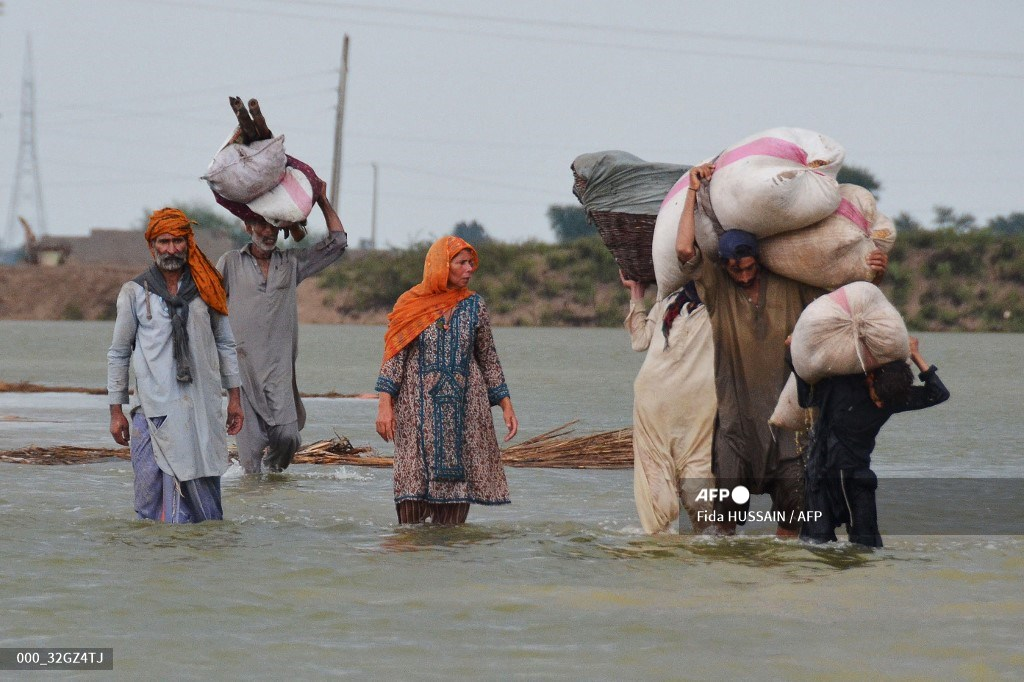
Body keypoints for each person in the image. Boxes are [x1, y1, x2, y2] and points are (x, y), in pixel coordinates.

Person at [675, 163, 889, 536]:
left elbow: (851, 297)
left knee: (793, 526)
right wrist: (693, 191)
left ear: (759, 259)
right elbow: (682, 249)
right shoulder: (718, 289)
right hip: (736, 429)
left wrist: (875, 271)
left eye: (748, 267)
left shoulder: (794, 282)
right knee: (723, 528)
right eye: (735, 269)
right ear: (724, 267)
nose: (742, 275)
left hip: (791, 428)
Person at [108, 208, 243, 522]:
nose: (171, 249)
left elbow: (226, 344)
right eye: (164, 242)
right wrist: (116, 410)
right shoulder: (134, 293)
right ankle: (160, 560)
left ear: (189, 243)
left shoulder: (209, 289)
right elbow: (118, 353)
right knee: (149, 498)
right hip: (154, 409)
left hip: (202, 407)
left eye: (177, 241)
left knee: (205, 490)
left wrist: (235, 399)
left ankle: (204, 554)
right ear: (153, 246)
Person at [374, 236, 517, 524]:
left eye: (471, 263)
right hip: (415, 410)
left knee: (453, 516)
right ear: (442, 266)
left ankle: (451, 563)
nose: (469, 269)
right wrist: (384, 404)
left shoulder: (475, 306)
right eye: (462, 263)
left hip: (465, 409)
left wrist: (505, 404)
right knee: (411, 493)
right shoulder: (410, 305)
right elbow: (393, 357)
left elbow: (488, 356)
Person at [215, 171, 347, 474]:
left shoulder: (291, 264)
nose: (268, 231)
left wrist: (323, 200)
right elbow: (208, 303)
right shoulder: (231, 262)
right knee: (250, 465)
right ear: (248, 225)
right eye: (261, 223)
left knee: (288, 439)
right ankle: (256, 510)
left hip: (280, 374)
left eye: (274, 224)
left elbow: (338, 243)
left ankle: (275, 488)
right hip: (242, 375)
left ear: (283, 228)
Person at [794, 336, 950, 547]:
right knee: (815, 545)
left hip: (857, 478)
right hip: (821, 479)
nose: (879, 405)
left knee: (868, 548)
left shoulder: (894, 396)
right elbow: (806, 398)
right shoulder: (841, 386)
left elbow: (939, 394)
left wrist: (915, 354)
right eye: (877, 397)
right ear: (871, 378)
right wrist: (792, 353)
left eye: (884, 402)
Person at [620, 271, 716, 534]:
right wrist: (637, 295)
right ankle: (662, 556)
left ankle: (700, 557)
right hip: (653, 406)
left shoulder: (724, 306)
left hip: (698, 412)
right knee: (659, 499)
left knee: (700, 496)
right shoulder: (667, 302)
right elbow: (640, 340)